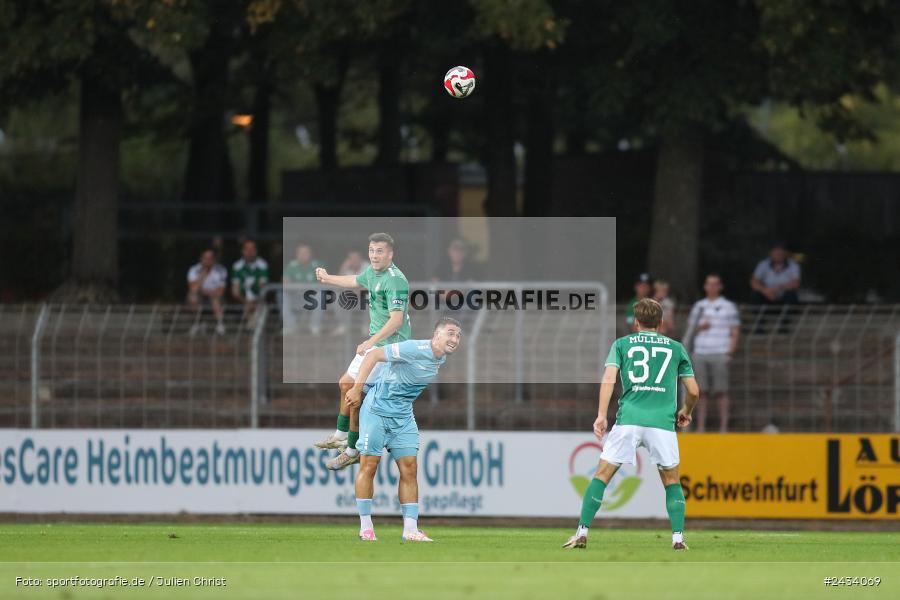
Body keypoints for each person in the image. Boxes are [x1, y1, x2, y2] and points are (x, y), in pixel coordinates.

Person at [563, 299, 699, 551]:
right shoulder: (676, 348)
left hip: (629, 420)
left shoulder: (622, 344)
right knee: (672, 481)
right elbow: (693, 391)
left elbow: (608, 378)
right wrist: (686, 411)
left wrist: (601, 415)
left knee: (602, 476)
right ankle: (678, 539)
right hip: (662, 423)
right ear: (661, 322)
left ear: (636, 322)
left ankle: (582, 533)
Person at [347, 317, 462, 542]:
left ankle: (410, 530)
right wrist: (357, 389)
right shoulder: (414, 348)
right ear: (436, 334)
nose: (455, 339)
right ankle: (366, 528)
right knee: (369, 466)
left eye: (458, 336)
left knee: (410, 469)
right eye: (450, 333)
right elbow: (373, 355)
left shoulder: (441, 357)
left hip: (403, 416)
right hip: (377, 410)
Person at [313, 233, 412, 469]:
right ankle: (340, 435)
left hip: (389, 348)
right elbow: (355, 281)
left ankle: (352, 450)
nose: (374, 255)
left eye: (380, 251)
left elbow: (397, 320)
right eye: (371, 250)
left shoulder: (395, 280)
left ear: (390, 255)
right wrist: (327, 278)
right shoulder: (373, 273)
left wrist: (370, 342)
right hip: (377, 344)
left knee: (356, 394)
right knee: (346, 384)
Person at [683, 274, 740, 433]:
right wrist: (701, 327)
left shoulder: (728, 306)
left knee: (722, 391)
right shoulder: (699, 306)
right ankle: (700, 427)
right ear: (705, 286)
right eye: (709, 284)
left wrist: (730, 352)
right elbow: (690, 330)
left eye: (715, 284)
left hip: (720, 351)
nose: (712, 287)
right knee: (701, 392)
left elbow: (735, 330)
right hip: (700, 352)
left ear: (720, 287)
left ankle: (723, 428)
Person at [281, 243, 325, 335]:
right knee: (283, 295)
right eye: (300, 253)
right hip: (295, 297)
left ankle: (315, 325)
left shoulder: (317, 265)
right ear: (296, 254)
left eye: (306, 253)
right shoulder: (291, 265)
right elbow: (285, 282)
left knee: (321, 294)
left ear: (310, 254)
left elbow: (323, 282)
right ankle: (290, 326)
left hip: (312, 298)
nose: (303, 255)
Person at [187, 249, 228, 335]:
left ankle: (220, 324)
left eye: (210, 258)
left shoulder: (221, 270)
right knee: (193, 296)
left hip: (215, 296)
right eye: (205, 258)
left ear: (214, 260)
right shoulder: (194, 270)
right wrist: (203, 274)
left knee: (215, 299)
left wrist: (206, 292)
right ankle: (197, 323)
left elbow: (221, 291)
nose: (207, 261)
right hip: (200, 296)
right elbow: (193, 289)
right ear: (201, 259)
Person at [231, 240, 269, 328]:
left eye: (252, 249)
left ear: (256, 251)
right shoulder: (237, 266)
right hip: (243, 298)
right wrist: (246, 302)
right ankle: (251, 325)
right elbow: (235, 290)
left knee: (259, 303)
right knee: (245, 301)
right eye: (247, 249)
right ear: (243, 251)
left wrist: (254, 301)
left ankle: (252, 326)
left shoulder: (262, 264)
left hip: (258, 297)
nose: (250, 252)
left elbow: (262, 287)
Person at [332, 250, 370, 337]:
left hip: (364, 296)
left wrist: (355, 289)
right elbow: (338, 284)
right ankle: (343, 325)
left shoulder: (367, 267)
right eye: (351, 259)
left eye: (356, 258)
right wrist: (343, 267)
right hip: (350, 297)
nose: (354, 261)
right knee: (336, 297)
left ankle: (366, 325)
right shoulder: (346, 268)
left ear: (360, 259)